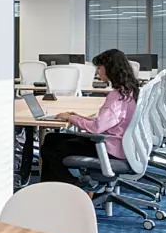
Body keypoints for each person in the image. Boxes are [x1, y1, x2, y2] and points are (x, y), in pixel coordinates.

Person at [38, 48, 140, 186]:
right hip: (120, 144)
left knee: (53, 149)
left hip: (109, 147)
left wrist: (71, 119)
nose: (97, 71)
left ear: (110, 68)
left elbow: (97, 128)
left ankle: (65, 186)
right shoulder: (128, 90)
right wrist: (78, 116)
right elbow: (107, 122)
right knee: (51, 138)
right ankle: (61, 183)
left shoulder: (116, 97)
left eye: (99, 68)